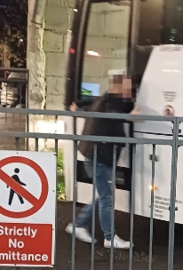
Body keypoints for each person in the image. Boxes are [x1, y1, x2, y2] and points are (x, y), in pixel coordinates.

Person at [65, 71, 140, 249]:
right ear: (118, 87)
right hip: (99, 155)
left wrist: (76, 105)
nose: (130, 90)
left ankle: (78, 225)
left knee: (103, 195)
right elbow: (111, 114)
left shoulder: (106, 98)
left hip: (96, 154)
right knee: (106, 197)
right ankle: (109, 237)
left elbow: (87, 103)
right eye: (128, 87)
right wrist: (130, 116)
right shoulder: (109, 102)